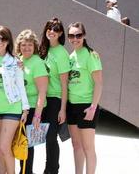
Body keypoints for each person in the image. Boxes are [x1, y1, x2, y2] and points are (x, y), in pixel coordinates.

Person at [0, 25, 30, 174]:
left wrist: (25, 108)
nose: (0, 41)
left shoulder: (14, 62)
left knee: (5, 147)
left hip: (12, 107)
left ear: (8, 41)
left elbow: (21, 86)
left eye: (3, 38)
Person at [66, 22, 102, 174]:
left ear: (84, 36)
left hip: (86, 105)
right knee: (76, 145)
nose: (75, 39)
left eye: (78, 35)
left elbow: (99, 83)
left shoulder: (91, 55)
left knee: (88, 147)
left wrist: (93, 107)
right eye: (71, 36)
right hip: (71, 106)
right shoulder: (71, 56)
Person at [38, 18, 70, 174]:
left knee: (51, 137)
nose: (52, 31)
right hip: (41, 99)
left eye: (56, 29)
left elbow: (65, 84)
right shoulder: (42, 49)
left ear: (61, 33)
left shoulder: (62, 53)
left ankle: (53, 170)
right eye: (50, 28)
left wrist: (62, 109)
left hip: (55, 100)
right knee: (44, 138)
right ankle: (47, 169)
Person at [16, 29, 48, 174]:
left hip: (34, 108)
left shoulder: (37, 63)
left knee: (27, 144)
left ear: (34, 46)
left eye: (29, 45)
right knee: (19, 141)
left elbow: (42, 91)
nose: (26, 48)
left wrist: (37, 115)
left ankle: (26, 172)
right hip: (20, 107)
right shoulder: (19, 60)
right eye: (23, 45)